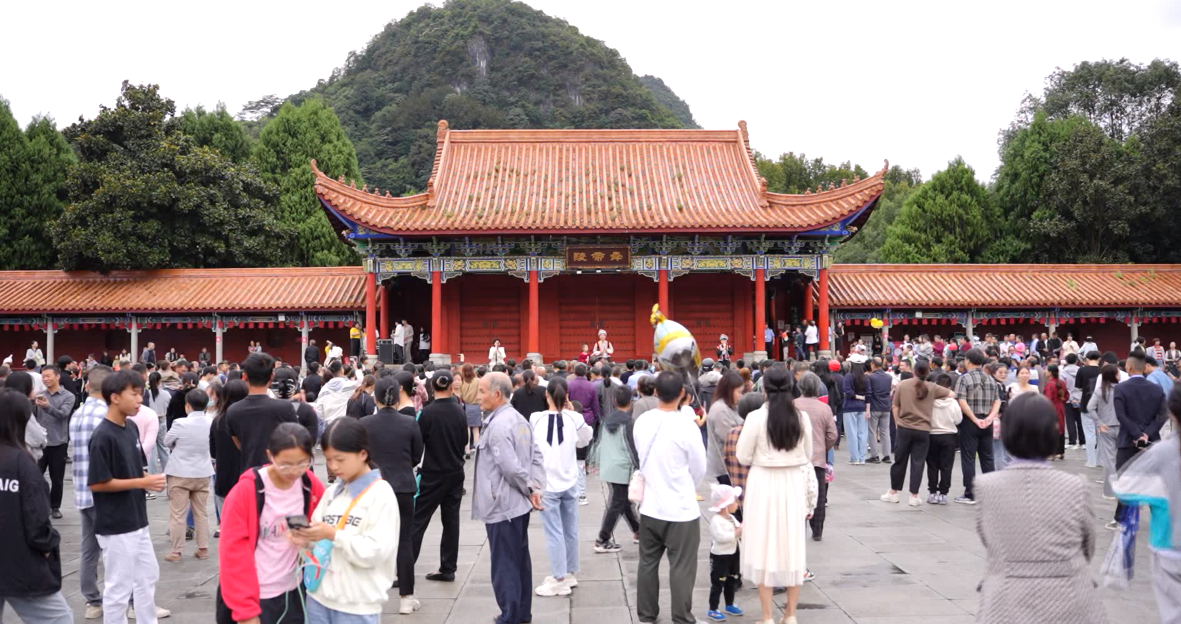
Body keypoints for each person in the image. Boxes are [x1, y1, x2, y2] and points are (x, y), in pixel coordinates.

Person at [974, 393, 1108, 624]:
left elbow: (990, 541)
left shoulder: (986, 487)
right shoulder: (1075, 486)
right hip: (1070, 598)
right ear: (1053, 430)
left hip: (1005, 601)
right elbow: (1087, 545)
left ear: (1007, 431)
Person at [290, 418, 399, 623]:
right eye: (329, 459)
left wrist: (333, 535)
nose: (333, 467)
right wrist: (304, 539)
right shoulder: (332, 493)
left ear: (363, 454)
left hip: (357, 607)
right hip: (318, 599)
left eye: (340, 460)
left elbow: (374, 552)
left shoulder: (381, 494)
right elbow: (316, 544)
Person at [215, 422, 324, 624]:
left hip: (293, 592)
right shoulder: (246, 491)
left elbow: (324, 526)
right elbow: (232, 552)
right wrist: (246, 612)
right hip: (255, 595)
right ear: (270, 455)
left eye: (303, 463)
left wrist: (309, 539)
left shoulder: (309, 485)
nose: (294, 471)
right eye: (285, 464)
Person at [737, 366, 814, 624]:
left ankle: (767, 616)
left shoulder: (755, 418)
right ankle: (790, 614)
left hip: (764, 481)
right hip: (791, 481)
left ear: (764, 388)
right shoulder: (801, 418)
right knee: (793, 544)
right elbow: (807, 453)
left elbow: (743, 455)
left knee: (762, 544)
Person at [89, 370, 168, 623]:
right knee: (118, 587)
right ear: (114, 397)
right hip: (116, 523)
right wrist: (142, 482)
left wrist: (146, 482)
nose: (139, 400)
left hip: (137, 518)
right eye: (134, 394)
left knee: (147, 577)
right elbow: (98, 484)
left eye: (141, 394)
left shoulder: (131, 427)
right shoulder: (103, 436)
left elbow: (136, 470)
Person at [634, 372, 707, 624]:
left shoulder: (642, 421)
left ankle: (646, 614)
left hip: (650, 506)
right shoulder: (687, 425)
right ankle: (682, 616)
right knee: (682, 566)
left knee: (647, 563)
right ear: (681, 395)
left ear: (655, 392)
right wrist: (687, 486)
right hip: (681, 509)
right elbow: (699, 467)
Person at [472, 372, 545, 624]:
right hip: (517, 505)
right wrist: (535, 489)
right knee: (519, 560)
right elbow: (536, 456)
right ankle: (521, 612)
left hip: (502, 504)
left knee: (505, 565)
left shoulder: (499, 425)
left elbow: (510, 467)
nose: (477, 397)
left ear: (497, 394)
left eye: (482, 392)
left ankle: (510, 615)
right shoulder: (518, 419)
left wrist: (530, 489)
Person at [0, 387, 73, 624]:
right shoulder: (22, 464)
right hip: (19, 561)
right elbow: (37, 520)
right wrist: (47, 546)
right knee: (58, 618)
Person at [1112, 383, 1181, 622]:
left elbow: (1124, 490)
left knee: (1173, 611)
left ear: (1172, 412)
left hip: (1168, 545)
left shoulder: (1162, 452)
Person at [361, 373, 424, 614]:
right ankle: (406, 597)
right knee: (404, 540)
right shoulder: (410, 422)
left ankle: (369, 591)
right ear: (398, 397)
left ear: (375, 397)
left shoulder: (365, 423)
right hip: (403, 486)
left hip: (373, 486)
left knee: (369, 539)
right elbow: (417, 456)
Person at [529, 377, 592, 597]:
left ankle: (559, 578)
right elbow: (585, 439)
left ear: (546, 395)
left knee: (554, 532)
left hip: (547, 483)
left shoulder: (536, 418)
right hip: (569, 480)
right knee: (570, 528)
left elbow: (530, 446)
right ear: (567, 395)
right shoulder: (575, 418)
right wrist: (570, 410)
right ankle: (569, 572)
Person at [410, 370, 468, 583]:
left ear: (433, 387)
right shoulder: (459, 410)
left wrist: (415, 464)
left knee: (418, 520)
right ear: (452, 386)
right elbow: (464, 440)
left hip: (433, 473)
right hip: (455, 472)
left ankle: (406, 569)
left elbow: (418, 444)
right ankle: (448, 567)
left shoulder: (428, 412)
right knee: (451, 521)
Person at [69, 365, 113, 618]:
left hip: (82, 491)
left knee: (89, 549)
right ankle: (127, 601)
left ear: (87, 386)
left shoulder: (78, 414)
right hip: (105, 492)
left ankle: (92, 601)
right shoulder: (106, 416)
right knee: (115, 550)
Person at [881, 360, 954, 507]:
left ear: (914, 370)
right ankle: (914, 496)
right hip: (923, 430)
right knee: (918, 463)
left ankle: (894, 492)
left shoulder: (903, 385)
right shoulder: (932, 387)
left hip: (904, 428)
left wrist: (897, 423)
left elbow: (895, 406)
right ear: (928, 372)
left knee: (900, 461)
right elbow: (952, 394)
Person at [1111, 352, 1169, 527]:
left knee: (1125, 480)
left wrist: (1136, 434)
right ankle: (1159, 517)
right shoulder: (1157, 389)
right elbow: (1162, 415)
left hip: (1127, 441)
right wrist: (1147, 434)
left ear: (1128, 367)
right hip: (1152, 442)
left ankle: (1123, 518)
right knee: (1153, 480)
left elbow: (1121, 415)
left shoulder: (1120, 389)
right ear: (1145, 368)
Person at [163, 389, 214, 562]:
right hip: (203, 472)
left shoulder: (179, 423)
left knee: (178, 514)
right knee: (201, 512)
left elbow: (167, 442)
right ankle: (203, 548)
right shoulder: (211, 422)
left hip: (180, 472)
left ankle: (176, 552)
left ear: (187, 406)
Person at [588, 384, 640, 553]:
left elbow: (599, 444)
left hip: (609, 466)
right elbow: (631, 448)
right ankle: (602, 539)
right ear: (631, 401)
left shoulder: (607, 420)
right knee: (617, 503)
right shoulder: (628, 423)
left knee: (623, 501)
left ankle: (638, 531)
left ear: (614, 400)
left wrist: (595, 462)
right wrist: (639, 468)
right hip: (622, 466)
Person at [226, 353, 297, 469]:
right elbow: (295, 439)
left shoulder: (233, 411)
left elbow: (240, 445)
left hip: (249, 474)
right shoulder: (285, 408)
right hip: (279, 473)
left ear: (244, 376)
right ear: (272, 376)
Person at [953, 348, 1001, 505]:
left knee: (969, 457)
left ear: (967, 361)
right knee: (988, 457)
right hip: (987, 422)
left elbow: (961, 401)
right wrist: (989, 418)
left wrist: (974, 418)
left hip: (970, 422)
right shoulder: (990, 379)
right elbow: (997, 401)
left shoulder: (964, 379)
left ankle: (970, 493)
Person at [795, 374, 837, 539]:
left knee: (798, 494)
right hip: (818, 458)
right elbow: (832, 434)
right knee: (818, 495)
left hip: (797, 458)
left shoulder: (792, 405)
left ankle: (799, 528)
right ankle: (817, 530)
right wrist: (823, 447)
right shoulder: (824, 408)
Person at [34, 365, 76, 519]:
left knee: (57, 478)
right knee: (35, 476)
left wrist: (47, 407)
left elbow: (63, 415)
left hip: (58, 443)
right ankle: (38, 505)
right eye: (43, 376)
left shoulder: (68, 396)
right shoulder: (39, 395)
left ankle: (55, 506)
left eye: (48, 376)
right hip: (39, 444)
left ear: (58, 376)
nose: (45, 379)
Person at [705, 484, 744, 622]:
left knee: (732, 580)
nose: (737, 503)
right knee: (718, 582)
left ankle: (729, 604)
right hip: (721, 557)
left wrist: (742, 529)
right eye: (734, 500)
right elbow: (720, 538)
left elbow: (739, 531)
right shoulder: (716, 521)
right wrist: (736, 533)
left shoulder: (732, 518)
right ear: (726, 504)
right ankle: (713, 609)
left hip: (733, 554)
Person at [1087, 364, 1121, 503]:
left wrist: (1099, 423)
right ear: (1114, 375)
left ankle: (1109, 491)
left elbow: (1090, 407)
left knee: (1109, 460)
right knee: (1120, 459)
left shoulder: (1100, 391)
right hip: (1122, 427)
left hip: (1106, 428)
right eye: (1118, 373)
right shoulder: (1122, 389)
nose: (1119, 375)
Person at [926, 373, 962, 504]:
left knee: (932, 465)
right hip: (949, 436)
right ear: (949, 387)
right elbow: (958, 420)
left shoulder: (930, 402)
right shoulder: (953, 403)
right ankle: (943, 494)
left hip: (932, 435)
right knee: (946, 466)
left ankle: (932, 493)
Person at [567, 363, 600, 505]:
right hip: (587, 416)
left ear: (574, 371)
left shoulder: (569, 385)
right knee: (586, 442)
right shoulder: (591, 386)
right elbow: (595, 404)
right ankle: (584, 463)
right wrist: (596, 417)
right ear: (586, 372)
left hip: (572, 416)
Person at [707, 371, 745, 489]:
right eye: (739, 392)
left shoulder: (730, 405)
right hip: (724, 466)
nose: (741, 396)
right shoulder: (721, 410)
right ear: (729, 390)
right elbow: (730, 437)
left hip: (731, 463)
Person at [841, 356, 870, 464]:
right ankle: (862, 458)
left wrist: (857, 396)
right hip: (862, 407)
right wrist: (867, 408)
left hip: (850, 407)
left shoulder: (848, 376)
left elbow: (848, 392)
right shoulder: (865, 377)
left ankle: (855, 458)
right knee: (863, 433)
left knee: (851, 433)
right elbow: (869, 394)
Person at [1076, 351, 1103, 468]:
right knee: (1102, 434)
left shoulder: (1082, 370)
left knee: (1089, 433)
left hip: (1086, 404)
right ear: (1099, 358)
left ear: (1087, 358)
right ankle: (1101, 460)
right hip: (1102, 406)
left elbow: (1079, 386)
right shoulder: (1103, 370)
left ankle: (1091, 461)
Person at [865, 357, 893, 464]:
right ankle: (887, 455)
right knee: (885, 432)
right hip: (886, 407)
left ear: (873, 365)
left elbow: (868, 393)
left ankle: (874, 455)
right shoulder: (888, 377)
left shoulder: (870, 377)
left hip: (874, 406)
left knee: (872, 431)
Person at [144, 372, 172, 473]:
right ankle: (168, 472)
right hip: (162, 420)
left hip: (149, 422)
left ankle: (152, 474)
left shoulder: (146, 394)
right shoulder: (166, 394)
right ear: (160, 381)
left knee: (151, 449)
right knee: (164, 448)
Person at [1042, 364, 1069, 460]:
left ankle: (1052, 453)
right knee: (1060, 429)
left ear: (1050, 372)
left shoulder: (1050, 384)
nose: (1044, 371)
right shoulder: (1061, 382)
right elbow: (1066, 395)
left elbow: (1048, 399)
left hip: (1052, 408)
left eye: (1046, 370)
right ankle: (1060, 452)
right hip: (1060, 407)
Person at [458, 363, 481, 457]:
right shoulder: (477, 381)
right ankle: (477, 449)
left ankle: (467, 450)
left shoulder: (462, 381)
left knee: (466, 429)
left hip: (465, 406)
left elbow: (460, 394)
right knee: (476, 430)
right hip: (476, 406)